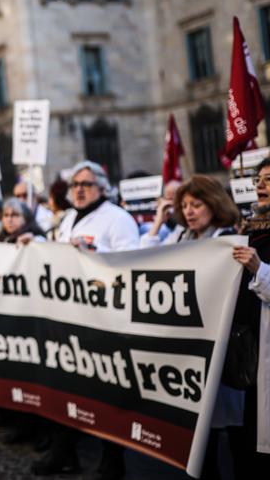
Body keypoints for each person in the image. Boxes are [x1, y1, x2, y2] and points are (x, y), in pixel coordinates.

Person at [34, 160, 139, 479]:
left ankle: (112, 460)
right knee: (65, 386)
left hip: (104, 320)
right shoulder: (66, 219)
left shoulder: (118, 219)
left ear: (103, 187)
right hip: (69, 317)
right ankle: (64, 452)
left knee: (107, 393)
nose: (79, 189)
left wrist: (92, 257)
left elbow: (131, 265)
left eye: (86, 184)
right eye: (75, 184)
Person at [145, 175, 244, 479]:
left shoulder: (228, 238)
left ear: (213, 204)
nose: (189, 211)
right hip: (190, 346)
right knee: (202, 434)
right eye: (184, 205)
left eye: (196, 205)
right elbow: (145, 259)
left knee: (231, 429)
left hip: (223, 345)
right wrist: (156, 226)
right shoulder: (180, 238)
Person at [231, 158, 270, 470]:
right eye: (259, 178)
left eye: (269, 180)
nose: (259, 185)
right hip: (251, 346)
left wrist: (260, 270)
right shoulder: (250, 227)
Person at [139, 179, 183, 247]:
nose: (169, 204)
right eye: (167, 199)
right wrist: (159, 220)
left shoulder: (182, 229)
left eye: (172, 200)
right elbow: (147, 249)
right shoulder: (170, 230)